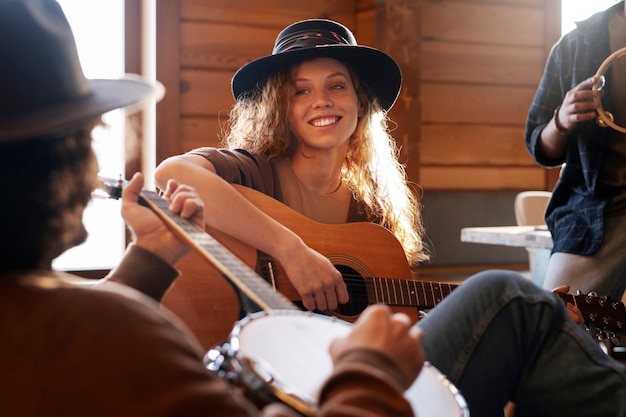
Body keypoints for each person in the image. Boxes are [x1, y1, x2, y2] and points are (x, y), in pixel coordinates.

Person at [0, 1, 425, 416]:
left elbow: (86, 341)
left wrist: (149, 257)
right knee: (489, 294)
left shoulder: (70, 321)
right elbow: (173, 173)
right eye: (89, 136)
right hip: (316, 375)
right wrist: (372, 369)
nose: (96, 162)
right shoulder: (111, 324)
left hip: (314, 361)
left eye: (337, 85)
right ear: (57, 167)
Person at [154, 18, 429, 313]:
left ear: (360, 103)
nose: (322, 101)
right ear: (280, 109)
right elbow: (171, 173)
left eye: (336, 86)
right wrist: (292, 251)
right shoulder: (255, 173)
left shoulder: (370, 210)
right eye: (301, 91)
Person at [525, 1, 626, 300]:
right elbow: (539, 147)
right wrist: (561, 119)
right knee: (556, 320)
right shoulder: (575, 44)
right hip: (595, 213)